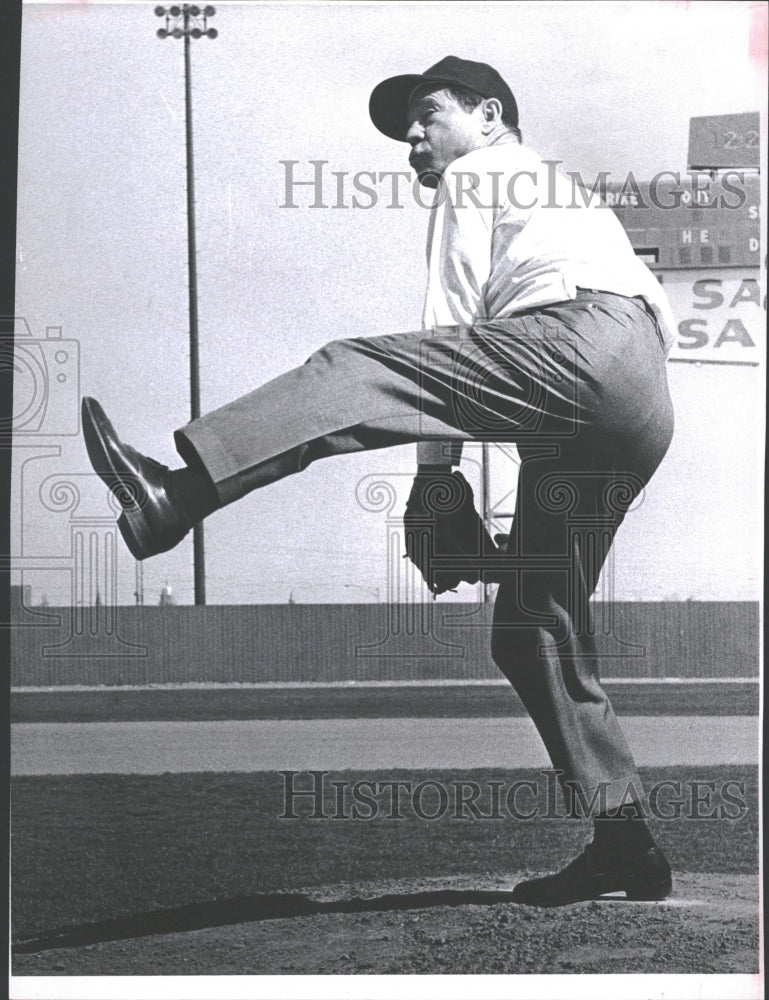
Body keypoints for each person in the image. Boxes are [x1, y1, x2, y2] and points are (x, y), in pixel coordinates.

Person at [82, 56, 676, 906]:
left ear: (490, 116)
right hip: (638, 395)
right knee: (533, 623)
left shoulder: (480, 171)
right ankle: (626, 842)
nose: (413, 135)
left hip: (580, 345)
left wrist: (437, 488)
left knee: (355, 366)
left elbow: (447, 334)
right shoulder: (554, 188)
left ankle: (178, 495)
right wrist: (481, 510)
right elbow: (501, 367)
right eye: (408, 124)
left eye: (427, 114)